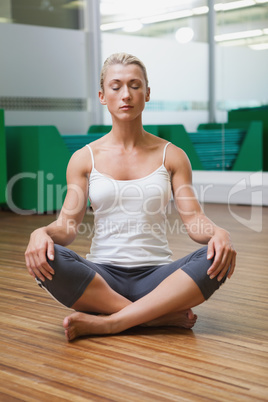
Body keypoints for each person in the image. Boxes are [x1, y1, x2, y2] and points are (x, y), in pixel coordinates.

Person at [25, 53, 236, 341]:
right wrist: (42, 232)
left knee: (215, 257)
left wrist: (218, 233)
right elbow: (67, 226)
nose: (126, 95)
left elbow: (194, 220)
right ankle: (154, 317)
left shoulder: (172, 155)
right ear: (102, 96)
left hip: (158, 279)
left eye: (135, 85)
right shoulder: (83, 159)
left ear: (147, 93)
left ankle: (110, 322)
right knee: (50, 257)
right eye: (116, 86)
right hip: (101, 278)